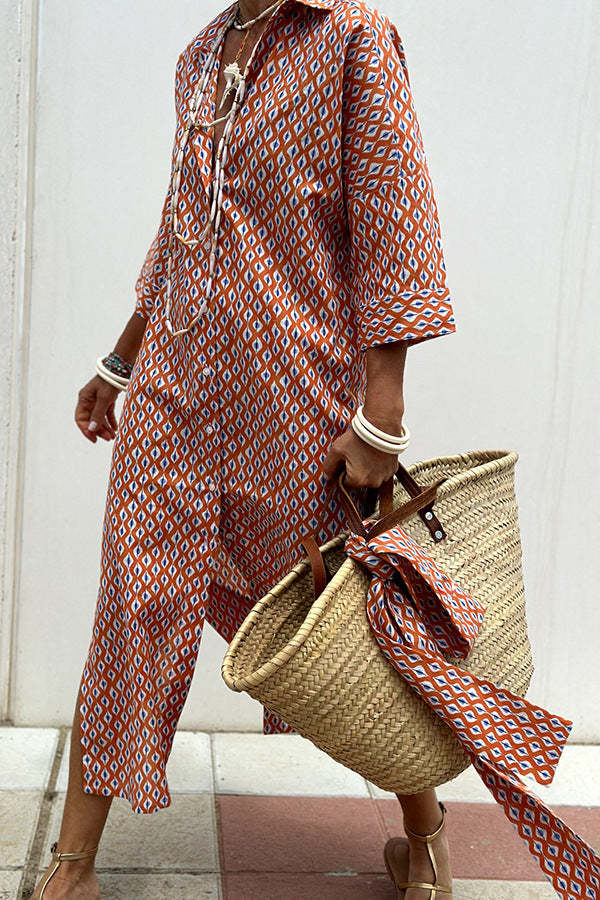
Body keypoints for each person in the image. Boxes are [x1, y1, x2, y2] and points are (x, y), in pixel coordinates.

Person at [32, 0, 456, 897]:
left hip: (293, 399)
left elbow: (394, 221)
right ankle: (74, 865)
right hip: (173, 398)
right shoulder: (199, 54)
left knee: (340, 625)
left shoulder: (352, 37)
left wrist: (382, 419)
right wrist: (120, 359)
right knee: (132, 607)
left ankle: (422, 828)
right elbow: (182, 229)